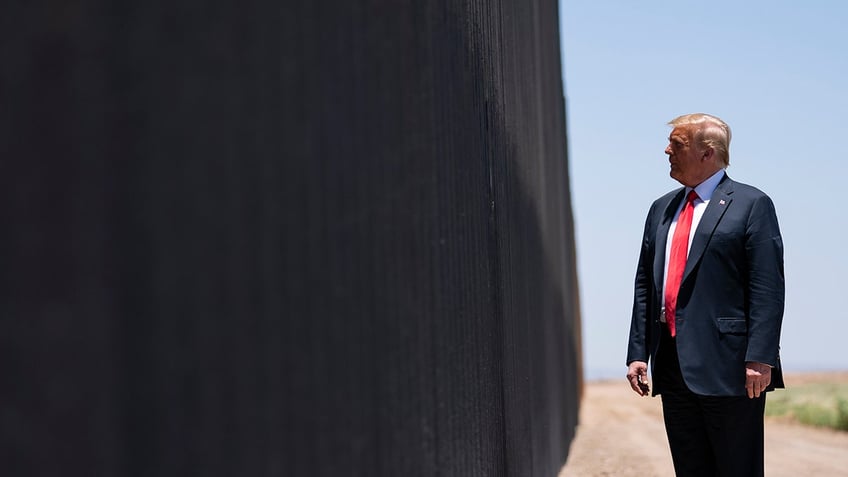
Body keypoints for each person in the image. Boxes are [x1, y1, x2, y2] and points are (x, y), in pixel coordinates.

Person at [625, 113, 785, 476]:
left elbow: (768, 288)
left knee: (735, 467)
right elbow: (645, 285)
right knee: (690, 467)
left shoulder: (752, 204)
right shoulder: (661, 208)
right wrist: (638, 352)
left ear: (707, 153)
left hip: (731, 368)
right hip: (672, 363)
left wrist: (760, 357)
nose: (667, 150)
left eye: (677, 144)